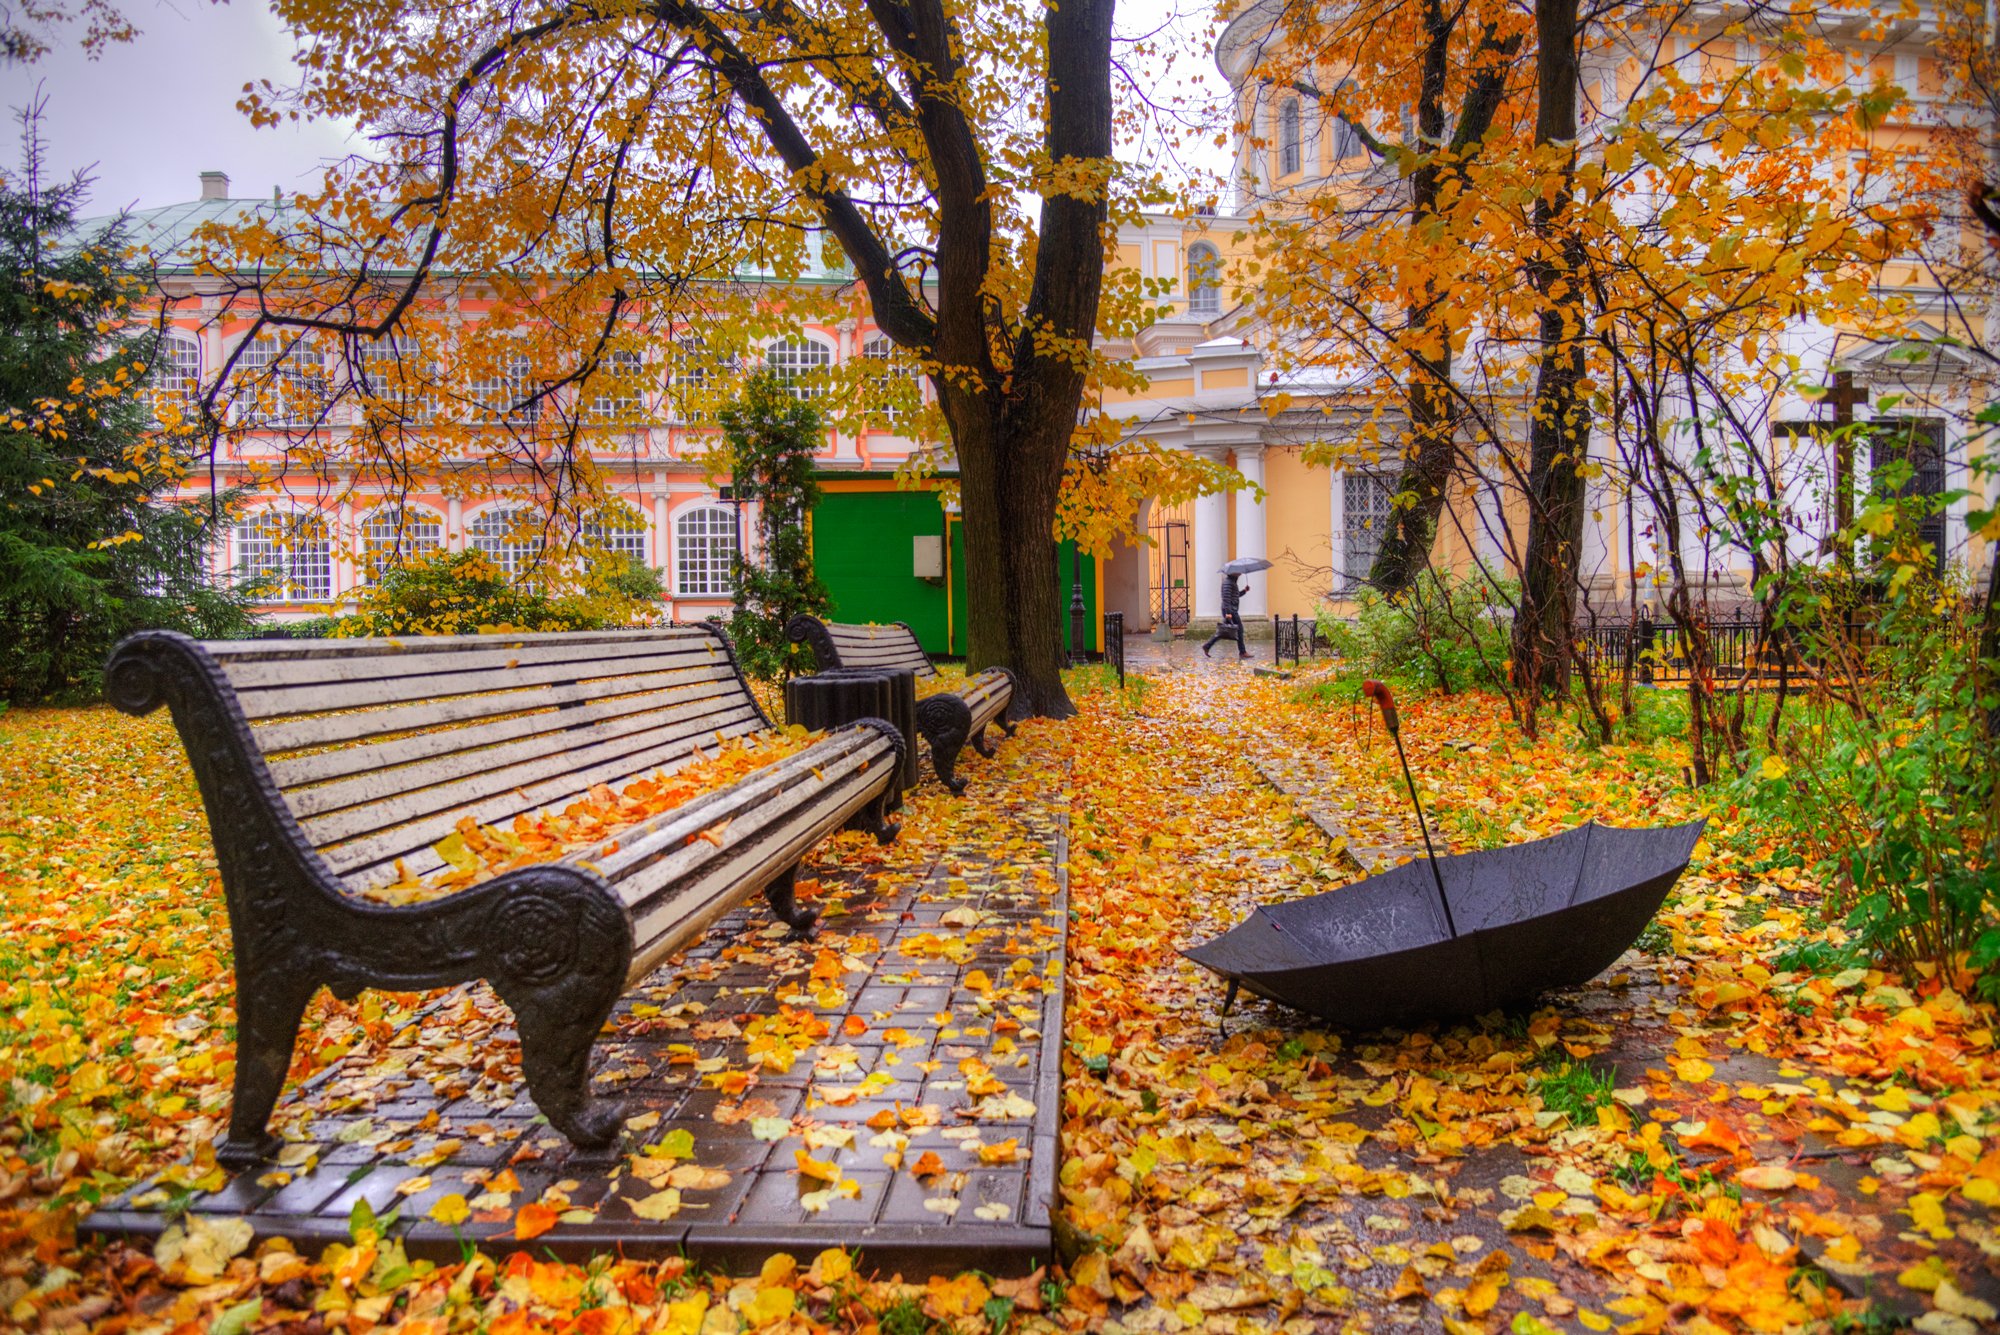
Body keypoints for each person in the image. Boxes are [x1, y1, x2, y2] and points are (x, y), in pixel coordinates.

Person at [1202, 573, 1250, 658]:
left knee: (1223, 631)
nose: (1240, 574)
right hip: (1230, 610)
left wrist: (1244, 591)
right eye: (1238, 572)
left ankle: (1207, 645)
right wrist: (1228, 613)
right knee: (1239, 630)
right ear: (1233, 573)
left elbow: (1235, 595)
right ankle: (1242, 652)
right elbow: (1226, 598)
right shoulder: (1228, 583)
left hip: (1231, 609)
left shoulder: (1232, 582)